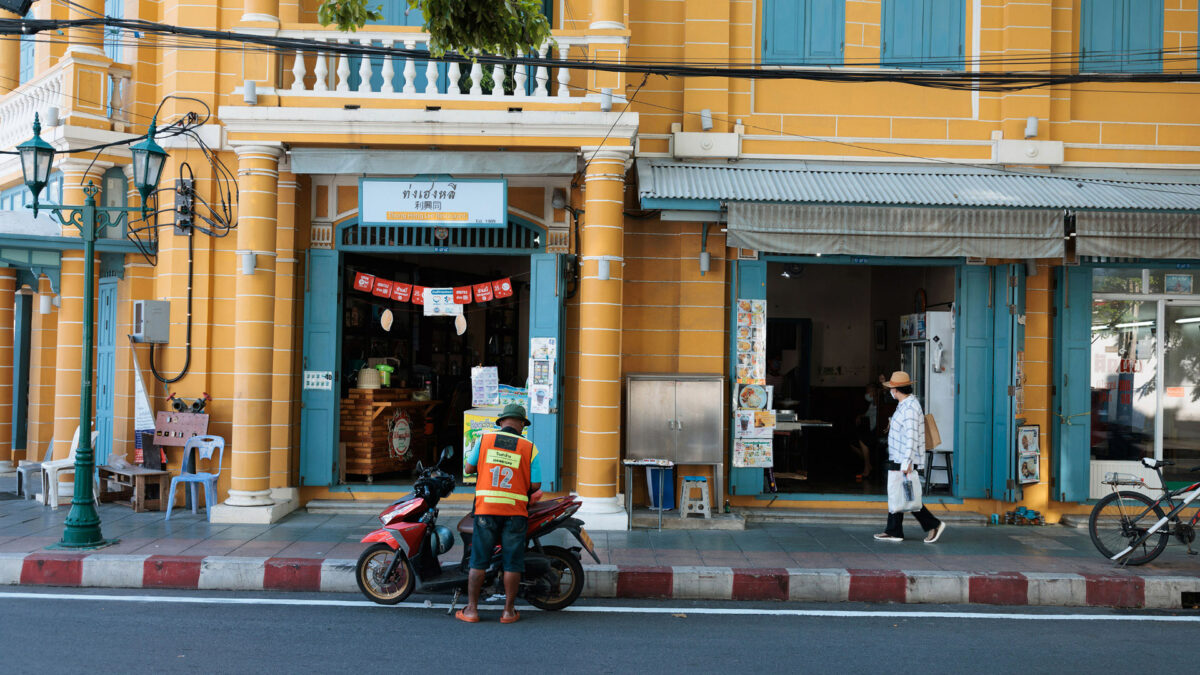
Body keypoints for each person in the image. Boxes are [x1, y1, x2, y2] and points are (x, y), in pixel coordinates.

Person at [457, 404, 542, 623]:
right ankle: (508, 612)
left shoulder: (484, 440)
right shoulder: (529, 447)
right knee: (512, 562)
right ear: (522, 424)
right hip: (515, 512)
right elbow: (535, 484)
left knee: (479, 560)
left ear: (502, 422)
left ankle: (472, 610)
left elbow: (468, 469)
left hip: (486, 510)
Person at [873, 371, 947, 544]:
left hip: (903, 458)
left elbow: (911, 437)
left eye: (891, 388)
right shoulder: (905, 404)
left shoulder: (911, 408)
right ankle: (894, 530)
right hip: (898, 456)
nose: (890, 391)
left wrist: (907, 461)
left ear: (897, 389)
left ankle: (933, 524)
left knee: (908, 496)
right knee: (896, 492)